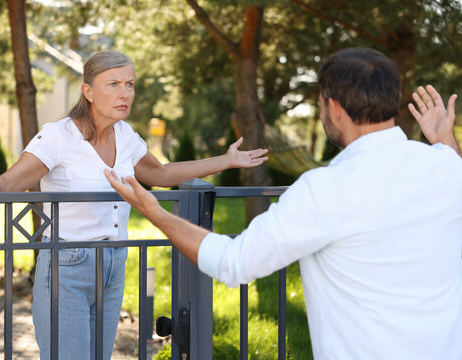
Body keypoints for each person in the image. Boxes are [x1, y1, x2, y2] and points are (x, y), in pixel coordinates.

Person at [105, 48, 462, 359]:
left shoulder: (325, 190)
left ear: (332, 108)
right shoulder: (446, 165)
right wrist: (446, 142)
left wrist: (154, 212)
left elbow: (233, 262)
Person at [0, 50, 268, 360]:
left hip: (114, 264)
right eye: (114, 84)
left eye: (130, 84)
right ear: (89, 91)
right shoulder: (57, 136)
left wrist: (225, 161)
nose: (125, 92)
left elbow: (162, 174)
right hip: (67, 266)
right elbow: (3, 188)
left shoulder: (127, 136)